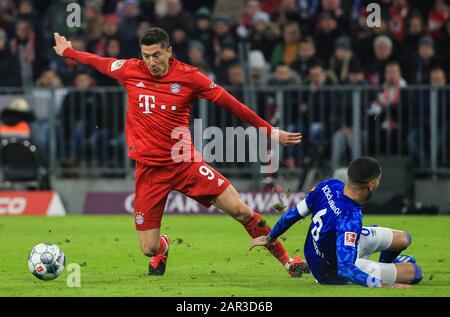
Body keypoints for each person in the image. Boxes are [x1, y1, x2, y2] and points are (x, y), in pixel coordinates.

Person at [53, 27, 306, 276]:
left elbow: (231, 103)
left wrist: (268, 130)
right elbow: (99, 61)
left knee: (241, 210)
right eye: (146, 55)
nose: (151, 62)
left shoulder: (190, 76)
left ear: (169, 52)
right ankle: (163, 247)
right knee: (148, 248)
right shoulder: (130, 69)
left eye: (156, 55)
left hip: (184, 163)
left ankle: (288, 262)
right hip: (149, 171)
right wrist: (69, 52)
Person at [250, 157, 423, 288]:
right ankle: (384, 267)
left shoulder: (329, 185)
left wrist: (270, 237)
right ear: (371, 184)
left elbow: (294, 214)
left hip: (330, 248)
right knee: (415, 272)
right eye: (378, 179)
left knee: (404, 239)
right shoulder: (349, 217)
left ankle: (386, 265)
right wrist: (385, 285)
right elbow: (345, 269)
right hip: (331, 271)